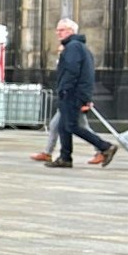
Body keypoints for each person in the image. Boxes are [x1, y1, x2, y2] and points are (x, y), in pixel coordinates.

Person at [49, 18, 112, 168]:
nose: (58, 33)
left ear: (71, 31)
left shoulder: (74, 47)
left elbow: (72, 70)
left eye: (62, 30)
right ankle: (65, 157)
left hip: (72, 93)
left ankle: (105, 147)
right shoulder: (77, 47)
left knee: (72, 126)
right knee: (63, 126)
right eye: (57, 30)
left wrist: (66, 89)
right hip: (74, 92)